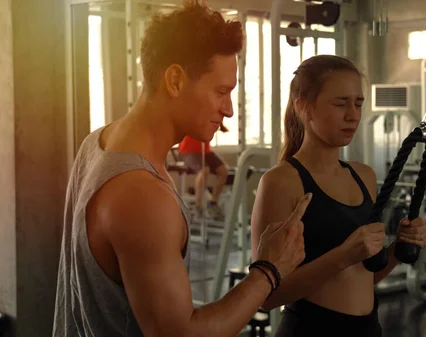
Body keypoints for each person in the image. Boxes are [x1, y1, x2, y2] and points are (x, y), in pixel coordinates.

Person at [52, 2, 307, 337]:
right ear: (174, 80)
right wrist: (269, 270)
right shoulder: (141, 196)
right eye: (220, 91)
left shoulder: (97, 142)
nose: (229, 110)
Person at [250, 55, 426, 337]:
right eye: (340, 104)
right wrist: (343, 255)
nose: (353, 115)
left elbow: (362, 277)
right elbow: (267, 295)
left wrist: (398, 249)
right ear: (304, 108)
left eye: (358, 103)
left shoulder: (364, 176)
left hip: (368, 328)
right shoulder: (281, 181)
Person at [178, 122, 230, 220]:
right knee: (204, 170)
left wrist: (221, 126)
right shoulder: (193, 114)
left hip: (206, 152)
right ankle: (199, 207)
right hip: (188, 151)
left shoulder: (212, 113)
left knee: (223, 170)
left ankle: (213, 203)